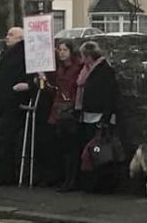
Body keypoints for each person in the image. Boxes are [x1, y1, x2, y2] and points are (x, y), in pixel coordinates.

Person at [0, 27, 32, 185]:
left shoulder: (20, 54)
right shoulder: (10, 53)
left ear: (20, 38)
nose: (6, 37)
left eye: (11, 35)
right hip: (5, 101)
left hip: (13, 101)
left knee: (5, 139)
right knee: (2, 138)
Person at [78, 41, 120, 194]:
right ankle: (93, 183)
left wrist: (106, 118)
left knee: (100, 153)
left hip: (100, 117)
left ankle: (103, 185)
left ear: (89, 56)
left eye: (83, 56)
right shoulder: (88, 70)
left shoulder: (104, 70)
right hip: (89, 116)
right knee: (92, 153)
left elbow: (110, 95)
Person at [49, 40, 84, 193]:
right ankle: (64, 179)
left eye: (65, 50)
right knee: (62, 148)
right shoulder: (59, 69)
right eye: (60, 50)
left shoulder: (77, 68)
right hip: (59, 110)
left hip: (71, 111)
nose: (61, 52)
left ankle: (72, 181)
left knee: (72, 148)